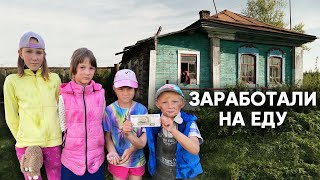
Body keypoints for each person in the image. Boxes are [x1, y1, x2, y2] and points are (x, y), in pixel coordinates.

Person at [4, 31, 62, 180]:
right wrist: (22, 137)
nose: (35, 57)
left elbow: (60, 109)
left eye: (39, 52)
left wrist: (59, 133)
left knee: (56, 177)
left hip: (53, 141)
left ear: (44, 54)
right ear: (20, 53)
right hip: (26, 143)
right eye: (29, 51)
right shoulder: (12, 81)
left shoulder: (54, 79)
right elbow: (11, 115)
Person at [59, 48, 105, 179]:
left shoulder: (100, 94)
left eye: (91, 68)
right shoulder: (64, 96)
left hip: (96, 160)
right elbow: (62, 125)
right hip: (71, 161)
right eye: (82, 67)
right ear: (74, 69)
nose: (87, 72)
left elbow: (101, 120)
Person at [146, 84, 203, 179]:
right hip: (161, 173)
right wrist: (128, 131)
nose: (170, 106)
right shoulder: (153, 121)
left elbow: (195, 149)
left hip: (185, 174)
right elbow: (140, 140)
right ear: (157, 104)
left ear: (182, 103)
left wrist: (172, 130)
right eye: (164, 102)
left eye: (175, 101)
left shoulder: (189, 123)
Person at [103, 69, 147, 180]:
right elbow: (107, 136)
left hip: (137, 160)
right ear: (114, 89)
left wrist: (132, 149)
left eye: (129, 88)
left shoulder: (142, 110)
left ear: (135, 88)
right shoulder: (109, 111)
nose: (125, 93)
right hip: (118, 160)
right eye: (121, 89)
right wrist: (112, 152)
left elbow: (143, 138)